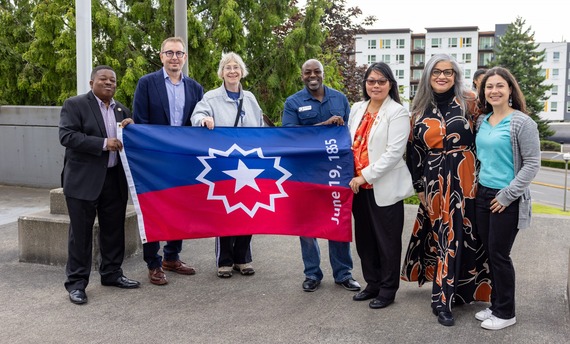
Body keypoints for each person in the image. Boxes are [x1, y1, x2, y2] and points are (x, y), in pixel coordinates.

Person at [400, 54, 490, 326]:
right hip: (434, 183)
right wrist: (420, 188)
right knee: (444, 238)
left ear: (456, 75)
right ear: (428, 75)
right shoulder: (417, 110)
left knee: (466, 235)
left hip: (467, 179)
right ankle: (442, 298)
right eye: (437, 72)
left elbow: (485, 138)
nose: (442, 76)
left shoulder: (470, 102)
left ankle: (456, 294)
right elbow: (413, 152)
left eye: (448, 72)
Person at [59, 65, 140, 305]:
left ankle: (112, 273)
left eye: (113, 80)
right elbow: (67, 136)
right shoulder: (74, 105)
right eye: (103, 79)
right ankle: (76, 284)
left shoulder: (121, 110)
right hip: (83, 181)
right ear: (91, 82)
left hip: (114, 180)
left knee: (114, 230)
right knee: (81, 235)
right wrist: (104, 143)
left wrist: (131, 130)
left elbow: (127, 143)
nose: (109, 83)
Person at [282, 58, 361, 293]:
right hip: (304, 172)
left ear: (323, 74)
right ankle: (312, 274)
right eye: (308, 72)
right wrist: (323, 125)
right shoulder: (293, 102)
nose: (312, 75)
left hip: (335, 171)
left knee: (337, 220)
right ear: (302, 75)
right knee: (307, 226)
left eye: (317, 71)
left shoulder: (340, 98)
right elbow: (289, 134)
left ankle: (343, 273)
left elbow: (351, 132)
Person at [133, 36, 204, 285]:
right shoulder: (146, 83)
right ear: (161, 56)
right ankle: (153, 262)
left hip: (183, 160)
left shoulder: (195, 88)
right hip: (154, 160)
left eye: (179, 53)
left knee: (179, 208)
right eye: (170, 53)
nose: (175, 58)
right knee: (153, 209)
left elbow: (198, 120)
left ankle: (172, 257)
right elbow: (140, 121)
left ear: (185, 58)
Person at [474, 67, 540, 330]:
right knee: (489, 252)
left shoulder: (522, 123)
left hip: (508, 198)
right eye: (489, 87)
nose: (494, 91)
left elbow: (532, 164)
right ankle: (495, 304)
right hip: (483, 194)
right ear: (484, 91)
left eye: (500, 86)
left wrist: (508, 195)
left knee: (500, 255)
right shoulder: (482, 121)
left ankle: (506, 313)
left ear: (510, 89)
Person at [347, 62, 414, 309]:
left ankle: (387, 289)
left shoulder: (397, 112)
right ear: (365, 84)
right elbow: (349, 142)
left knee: (387, 241)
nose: (375, 85)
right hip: (356, 188)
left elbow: (394, 153)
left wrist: (365, 176)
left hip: (382, 186)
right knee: (365, 241)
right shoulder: (356, 108)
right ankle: (372, 283)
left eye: (381, 81)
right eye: (371, 81)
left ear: (390, 85)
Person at [191, 52, 262, 278]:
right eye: (228, 67)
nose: (232, 71)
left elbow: (260, 125)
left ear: (242, 72)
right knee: (226, 210)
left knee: (248, 210)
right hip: (223, 163)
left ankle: (242, 258)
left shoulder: (250, 98)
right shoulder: (211, 98)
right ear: (221, 72)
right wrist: (204, 120)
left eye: (236, 67)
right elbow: (197, 114)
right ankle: (225, 260)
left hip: (249, 163)